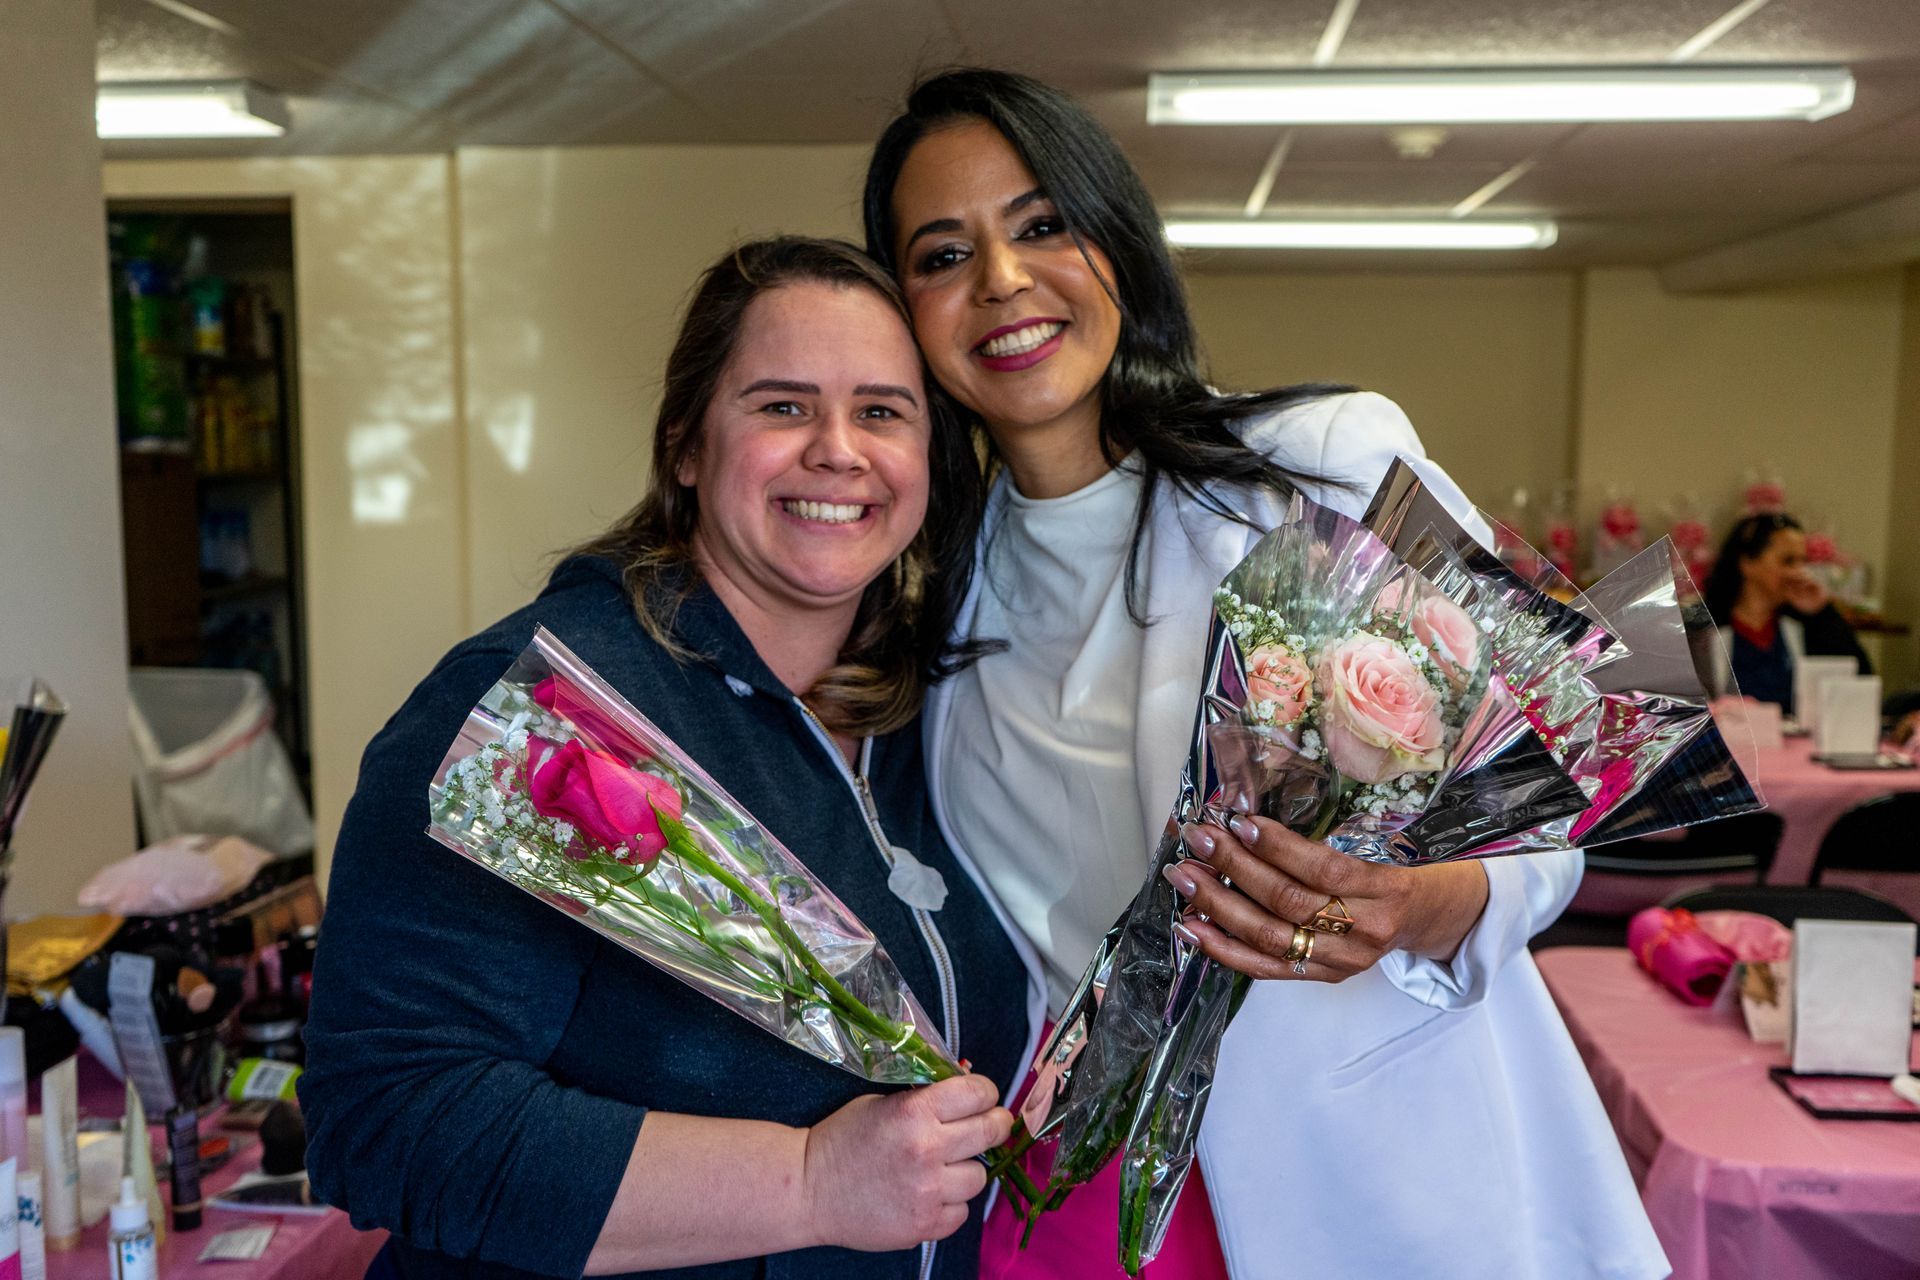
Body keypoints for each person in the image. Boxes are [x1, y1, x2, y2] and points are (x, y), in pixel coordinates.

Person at [861, 70, 1668, 1280]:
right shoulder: (927, 587)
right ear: (905, 309)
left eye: (1041, 225)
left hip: (1393, 1176)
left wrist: (1423, 902)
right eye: (941, 254)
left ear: (1116, 244)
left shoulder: (1320, 467)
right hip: (1109, 1206)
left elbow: (1556, 806)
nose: (1002, 282)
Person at [300, 237, 1038, 1280]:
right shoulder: (541, 715)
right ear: (686, 444)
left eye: (882, 410)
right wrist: (811, 1179)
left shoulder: (936, 720)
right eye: (783, 406)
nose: (838, 448)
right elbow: (386, 1120)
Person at [1703, 512, 1869, 713]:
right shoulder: (1702, 630)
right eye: (1788, 561)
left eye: (1803, 562)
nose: (1799, 572)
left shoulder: (1805, 626)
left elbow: (1859, 682)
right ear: (1747, 563)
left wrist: (1822, 614)